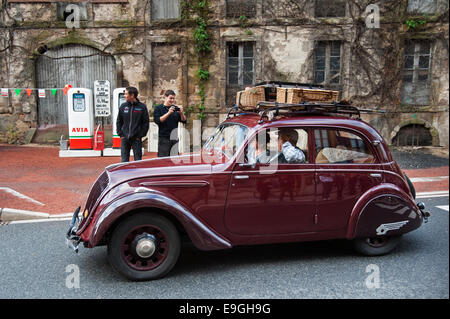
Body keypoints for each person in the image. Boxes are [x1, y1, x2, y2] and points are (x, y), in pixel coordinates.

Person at [116, 86, 149, 162]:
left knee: (138, 160)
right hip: (124, 138)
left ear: (132, 95)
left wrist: (140, 135)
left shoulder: (142, 107)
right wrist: (121, 134)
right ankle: (125, 174)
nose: (124, 96)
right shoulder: (123, 106)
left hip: (136, 139)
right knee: (124, 161)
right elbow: (119, 121)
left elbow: (145, 123)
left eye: (126, 94)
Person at [153, 90, 187, 157]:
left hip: (174, 138)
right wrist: (168, 113)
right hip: (164, 138)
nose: (172, 100)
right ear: (165, 97)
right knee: (163, 160)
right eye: (170, 98)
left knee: (174, 159)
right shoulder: (158, 108)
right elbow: (158, 120)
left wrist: (181, 113)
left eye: (173, 98)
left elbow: (184, 121)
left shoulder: (175, 108)